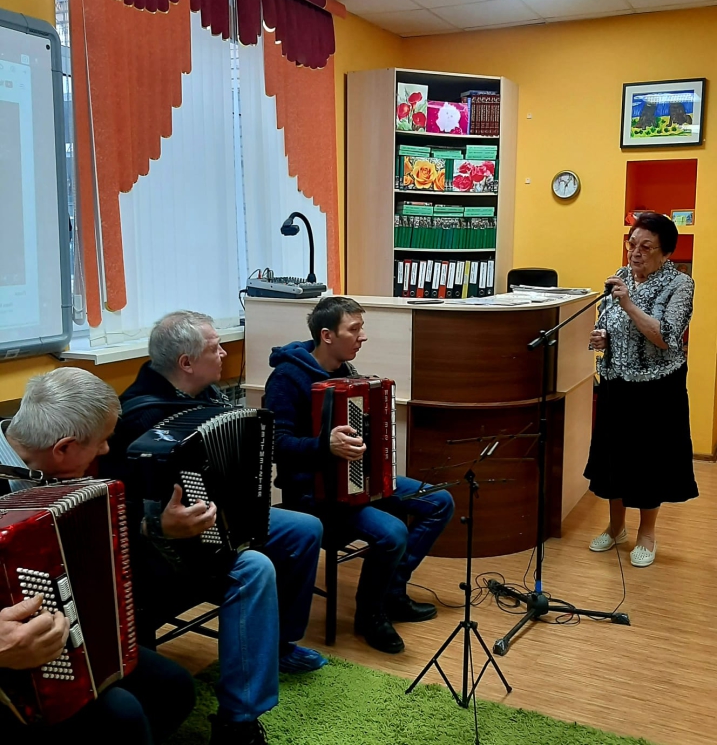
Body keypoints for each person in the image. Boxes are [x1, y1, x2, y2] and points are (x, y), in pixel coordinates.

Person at [102, 311, 325, 745]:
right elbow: (116, 502)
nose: (224, 353)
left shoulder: (207, 396)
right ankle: (238, 719)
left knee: (303, 530)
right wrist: (157, 520)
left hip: (224, 517)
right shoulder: (135, 418)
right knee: (254, 567)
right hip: (167, 546)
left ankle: (279, 645)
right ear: (186, 362)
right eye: (214, 347)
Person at [0, 368, 195, 745]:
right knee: (121, 716)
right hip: (9, 661)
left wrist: (153, 524)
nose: (106, 450)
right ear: (64, 448)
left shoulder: (48, 465)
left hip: (64, 634)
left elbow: (101, 524)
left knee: (173, 688)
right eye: (102, 441)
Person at [263, 296, 455, 654]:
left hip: (357, 478)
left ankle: (392, 592)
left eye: (361, 328)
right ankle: (370, 615)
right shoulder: (286, 379)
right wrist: (324, 446)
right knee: (393, 532)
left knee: (439, 501)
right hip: (313, 493)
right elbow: (276, 445)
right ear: (327, 335)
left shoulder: (346, 372)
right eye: (354, 329)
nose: (362, 336)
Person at [585, 213, 698, 567]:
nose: (635, 252)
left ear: (666, 253)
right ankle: (615, 527)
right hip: (616, 382)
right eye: (632, 244)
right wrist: (602, 337)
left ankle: (647, 534)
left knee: (650, 462)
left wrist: (629, 305)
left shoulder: (680, 284)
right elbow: (607, 323)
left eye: (646, 247)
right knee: (613, 458)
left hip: (657, 388)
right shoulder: (619, 277)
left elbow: (666, 337)